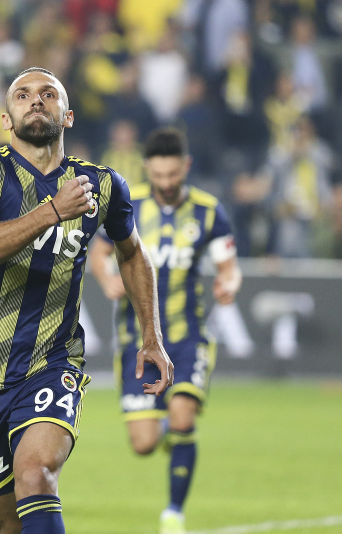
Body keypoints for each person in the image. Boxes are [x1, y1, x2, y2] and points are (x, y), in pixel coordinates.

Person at [0, 67, 173, 534]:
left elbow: (133, 254)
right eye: (23, 95)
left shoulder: (101, 184)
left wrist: (151, 335)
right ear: (6, 119)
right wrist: (53, 211)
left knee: (36, 475)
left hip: (52, 362)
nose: (36, 100)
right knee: (7, 526)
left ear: (67, 116)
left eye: (49, 94)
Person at [88, 127, 242, 534]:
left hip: (188, 334)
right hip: (137, 338)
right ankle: (171, 429)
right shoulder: (128, 204)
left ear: (186, 167)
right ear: (147, 169)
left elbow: (229, 266)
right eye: (158, 176)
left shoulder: (209, 211)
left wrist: (229, 283)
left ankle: (173, 513)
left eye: (173, 175)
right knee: (143, 444)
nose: (166, 183)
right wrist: (105, 278)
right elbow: (98, 252)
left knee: (184, 412)